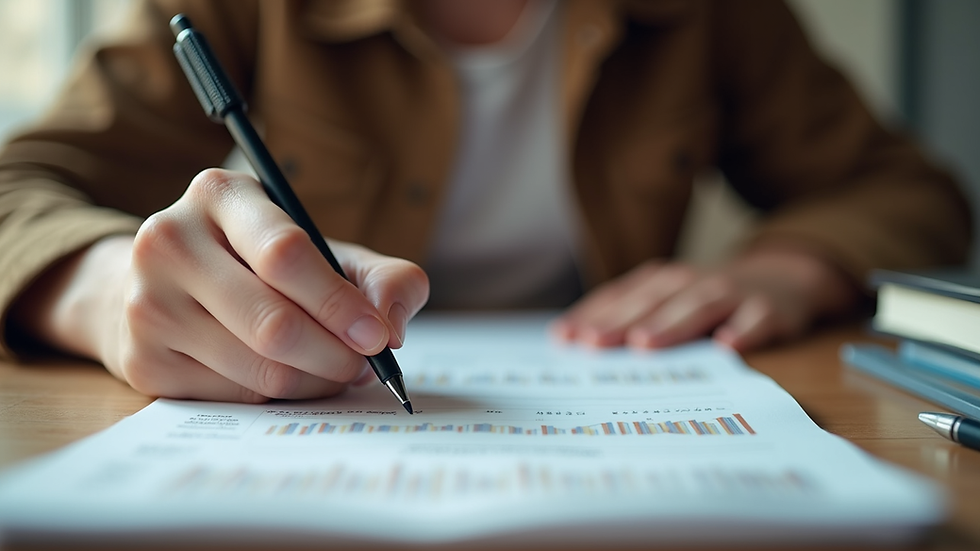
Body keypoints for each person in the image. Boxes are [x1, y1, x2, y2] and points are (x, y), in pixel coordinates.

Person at [0, 0, 970, 403]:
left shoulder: (711, 13)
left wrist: (782, 265)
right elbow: (17, 185)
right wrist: (97, 290)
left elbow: (907, 191)